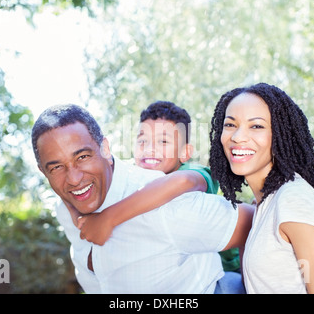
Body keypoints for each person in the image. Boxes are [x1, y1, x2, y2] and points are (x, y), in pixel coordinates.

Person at [31, 103, 254, 293]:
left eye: (82, 156)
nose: (73, 178)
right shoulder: (66, 204)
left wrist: (108, 218)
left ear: (105, 149)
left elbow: (187, 182)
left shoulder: (170, 201)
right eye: (57, 167)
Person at [209, 82, 314, 294]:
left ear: (282, 134)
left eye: (256, 126)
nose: (237, 137)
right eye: (230, 124)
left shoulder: (293, 199)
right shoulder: (265, 204)